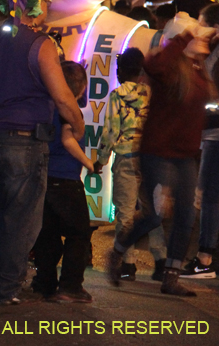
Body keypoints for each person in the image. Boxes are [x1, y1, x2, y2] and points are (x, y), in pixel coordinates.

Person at [0, 0, 84, 307]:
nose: (48, 7)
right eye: (46, 1)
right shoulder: (41, 45)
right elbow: (63, 98)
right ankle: (2, 290)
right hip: (25, 141)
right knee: (20, 221)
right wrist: (77, 125)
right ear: (33, 4)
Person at [106, 15, 216, 296]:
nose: (201, 38)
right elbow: (153, 64)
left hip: (185, 156)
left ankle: (170, 276)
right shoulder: (168, 68)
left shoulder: (198, 69)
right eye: (194, 36)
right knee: (155, 215)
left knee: (186, 215)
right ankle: (118, 251)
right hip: (158, 152)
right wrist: (183, 37)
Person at [95, 48, 166, 282]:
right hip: (150, 158)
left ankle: (128, 264)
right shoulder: (151, 94)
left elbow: (111, 131)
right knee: (151, 212)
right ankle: (161, 261)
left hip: (126, 158)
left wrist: (101, 159)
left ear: (121, 70)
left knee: (125, 213)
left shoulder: (117, 95)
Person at [32, 62, 95, 303]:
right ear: (82, 88)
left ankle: (44, 283)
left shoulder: (45, 106)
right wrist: (88, 163)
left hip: (43, 177)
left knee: (47, 235)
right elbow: (68, 140)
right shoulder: (68, 109)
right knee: (78, 234)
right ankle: (70, 286)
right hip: (65, 179)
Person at [181, 3, 219, 279]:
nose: (198, 29)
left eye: (202, 24)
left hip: (216, 135)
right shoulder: (211, 51)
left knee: (209, 196)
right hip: (211, 133)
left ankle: (205, 259)